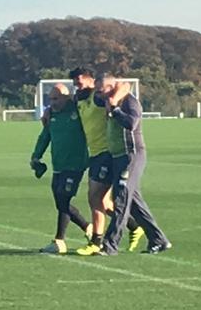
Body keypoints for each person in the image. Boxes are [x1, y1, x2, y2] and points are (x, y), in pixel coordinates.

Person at [80, 74, 171, 256]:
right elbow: (99, 97)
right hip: (117, 157)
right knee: (135, 203)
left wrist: (115, 109)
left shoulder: (129, 102)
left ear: (112, 87)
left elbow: (131, 123)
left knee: (120, 198)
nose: (99, 94)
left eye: (102, 90)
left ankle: (110, 245)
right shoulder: (106, 98)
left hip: (132, 155)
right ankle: (158, 239)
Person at [58, 67, 145, 255]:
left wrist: (113, 100)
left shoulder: (98, 98)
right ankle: (134, 226)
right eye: (74, 84)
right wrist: (48, 112)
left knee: (94, 197)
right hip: (95, 154)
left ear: (92, 81)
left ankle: (96, 241)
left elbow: (124, 84)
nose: (77, 87)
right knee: (104, 203)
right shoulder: (78, 100)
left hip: (107, 152)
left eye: (80, 83)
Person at [31, 84, 91, 254]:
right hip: (58, 166)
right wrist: (36, 156)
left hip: (75, 164)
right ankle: (88, 228)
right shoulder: (52, 115)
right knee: (61, 203)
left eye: (56, 99)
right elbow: (45, 137)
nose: (52, 103)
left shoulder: (78, 111)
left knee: (64, 199)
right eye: (50, 99)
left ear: (66, 97)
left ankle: (59, 241)